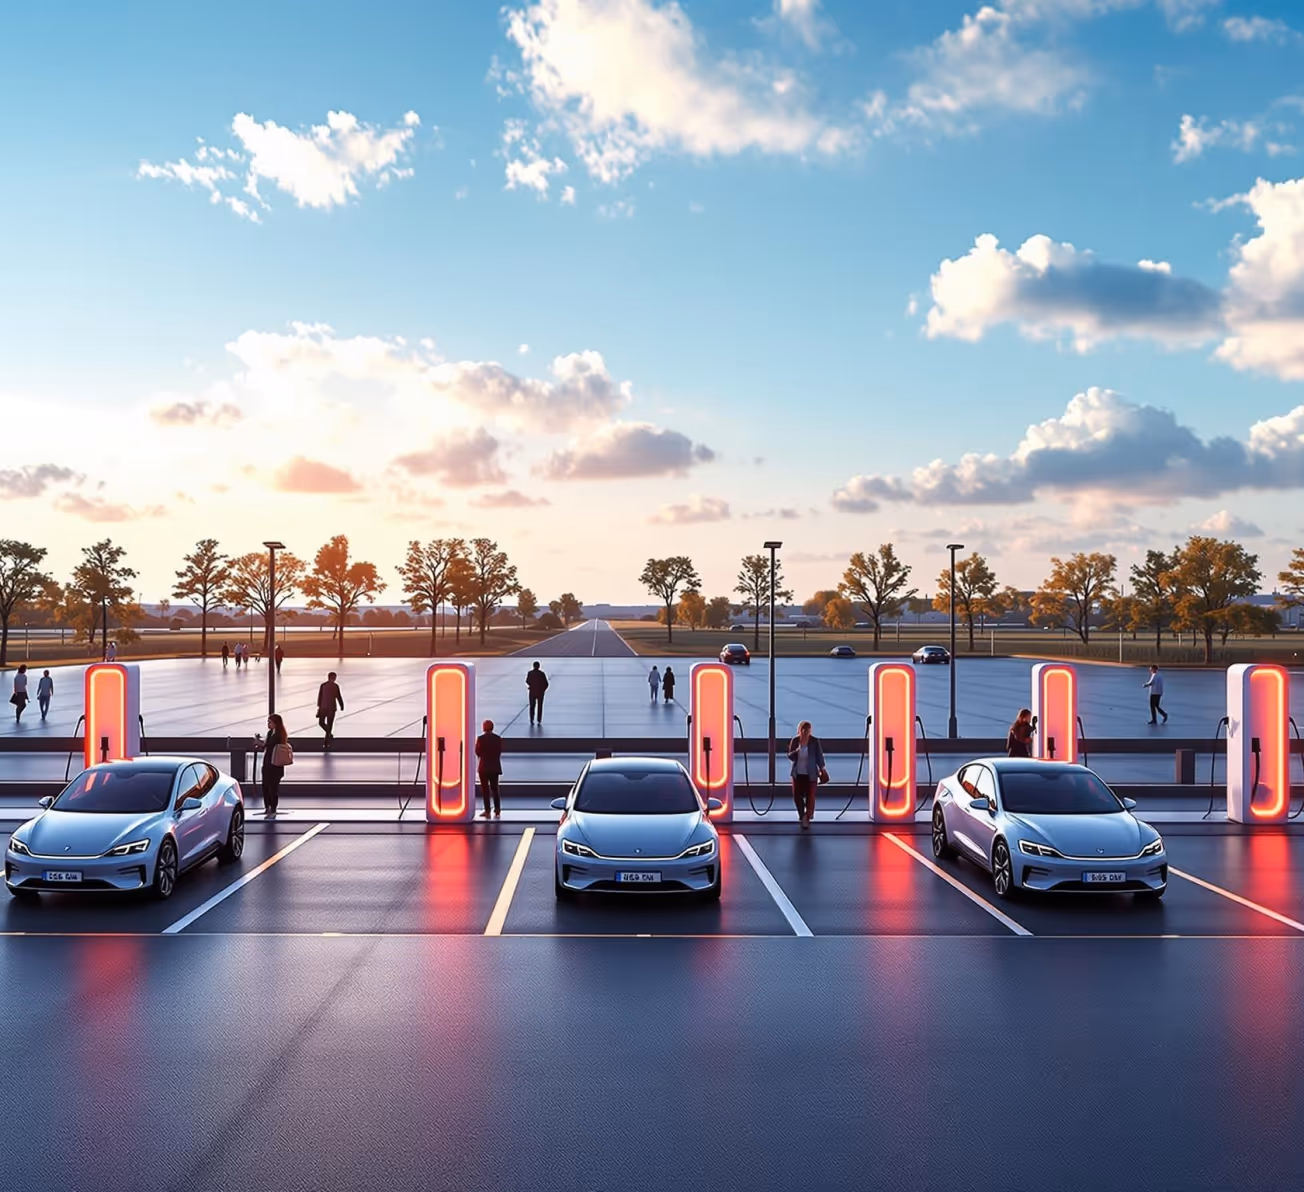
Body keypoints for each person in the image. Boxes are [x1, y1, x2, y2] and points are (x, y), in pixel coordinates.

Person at [787, 720, 826, 829]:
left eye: (807, 731)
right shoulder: (795, 741)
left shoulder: (814, 741)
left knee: (810, 796)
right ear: (800, 731)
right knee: (796, 796)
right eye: (803, 731)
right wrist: (797, 751)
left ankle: (807, 817)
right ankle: (802, 814)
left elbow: (819, 756)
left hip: (811, 774)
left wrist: (822, 769)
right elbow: (790, 756)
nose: (805, 733)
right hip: (798, 774)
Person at [256, 713, 290, 816]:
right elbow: (267, 745)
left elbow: (269, 745)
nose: (268, 724)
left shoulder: (279, 735)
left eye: (270, 722)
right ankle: (267, 807)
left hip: (275, 765)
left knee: (273, 788)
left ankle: (273, 809)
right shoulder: (270, 732)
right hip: (267, 764)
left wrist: (259, 742)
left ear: (276, 723)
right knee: (265, 786)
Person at [475, 719, 503, 818]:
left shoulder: (480, 739)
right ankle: (497, 809)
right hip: (495, 766)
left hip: (484, 767)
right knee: (495, 789)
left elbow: (477, 751)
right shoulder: (497, 738)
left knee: (485, 790)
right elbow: (499, 751)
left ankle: (487, 811)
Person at [317, 670, 344, 746]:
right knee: (328, 724)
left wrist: (319, 707)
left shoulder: (324, 685)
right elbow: (338, 696)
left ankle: (327, 740)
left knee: (322, 723)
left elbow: (320, 697)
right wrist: (341, 705)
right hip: (330, 708)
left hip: (324, 707)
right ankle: (328, 736)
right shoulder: (334, 686)